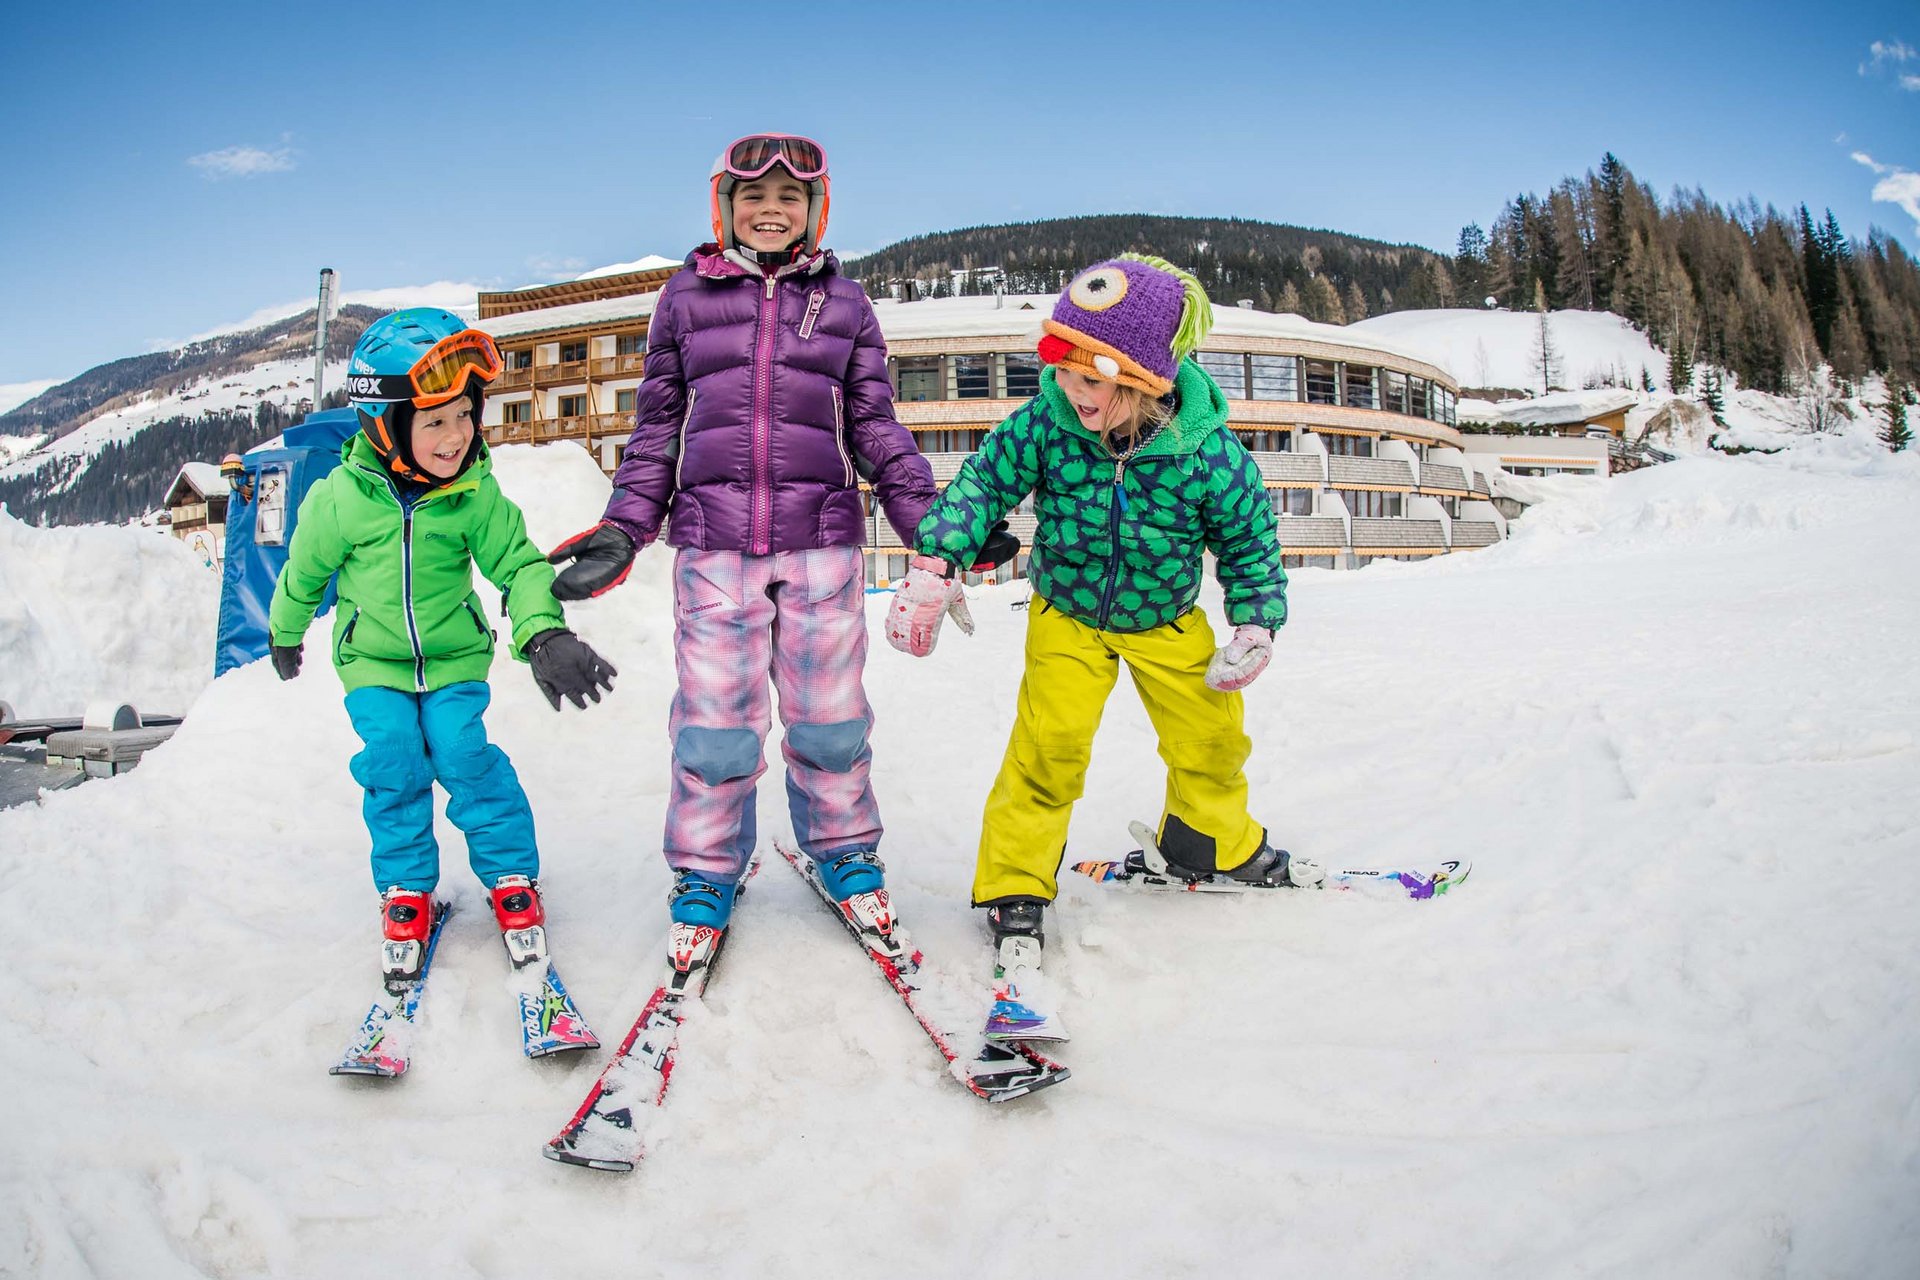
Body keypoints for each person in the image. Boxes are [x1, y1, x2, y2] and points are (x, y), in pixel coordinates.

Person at [546, 133, 949, 968]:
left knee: (831, 718)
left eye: (791, 198)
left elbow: (874, 425)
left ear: (816, 209)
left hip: (823, 546)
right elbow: (656, 431)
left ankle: (843, 850)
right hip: (714, 550)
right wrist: (625, 529)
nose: (772, 210)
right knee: (716, 725)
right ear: (724, 206)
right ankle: (704, 869)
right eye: (753, 196)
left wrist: (935, 526)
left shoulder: (846, 303)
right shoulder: (684, 300)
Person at [887, 254, 1306, 967]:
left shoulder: (1205, 451)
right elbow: (983, 483)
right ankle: (1015, 883)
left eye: (1093, 380)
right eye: (1063, 371)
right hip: (1068, 615)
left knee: (1210, 742)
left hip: (1168, 619)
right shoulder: (1046, 424)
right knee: (1047, 750)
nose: (1071, 391)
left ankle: (1208, 846)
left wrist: (1257, 620)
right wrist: (937, 559)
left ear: (1146, 382)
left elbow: (1248, 537)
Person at [268, 308, 617, 992]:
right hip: (373, 663)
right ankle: (405, 888)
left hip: (454, 661)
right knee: (394, 762)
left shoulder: (473, 495)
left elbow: (518, 566)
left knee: (462, 755)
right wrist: (284, 630)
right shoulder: (341, 499)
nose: (456, 436)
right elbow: (303, 572)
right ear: (384, 425)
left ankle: (511, 876)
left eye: (464, 415)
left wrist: (541, 631)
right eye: (434, 422)